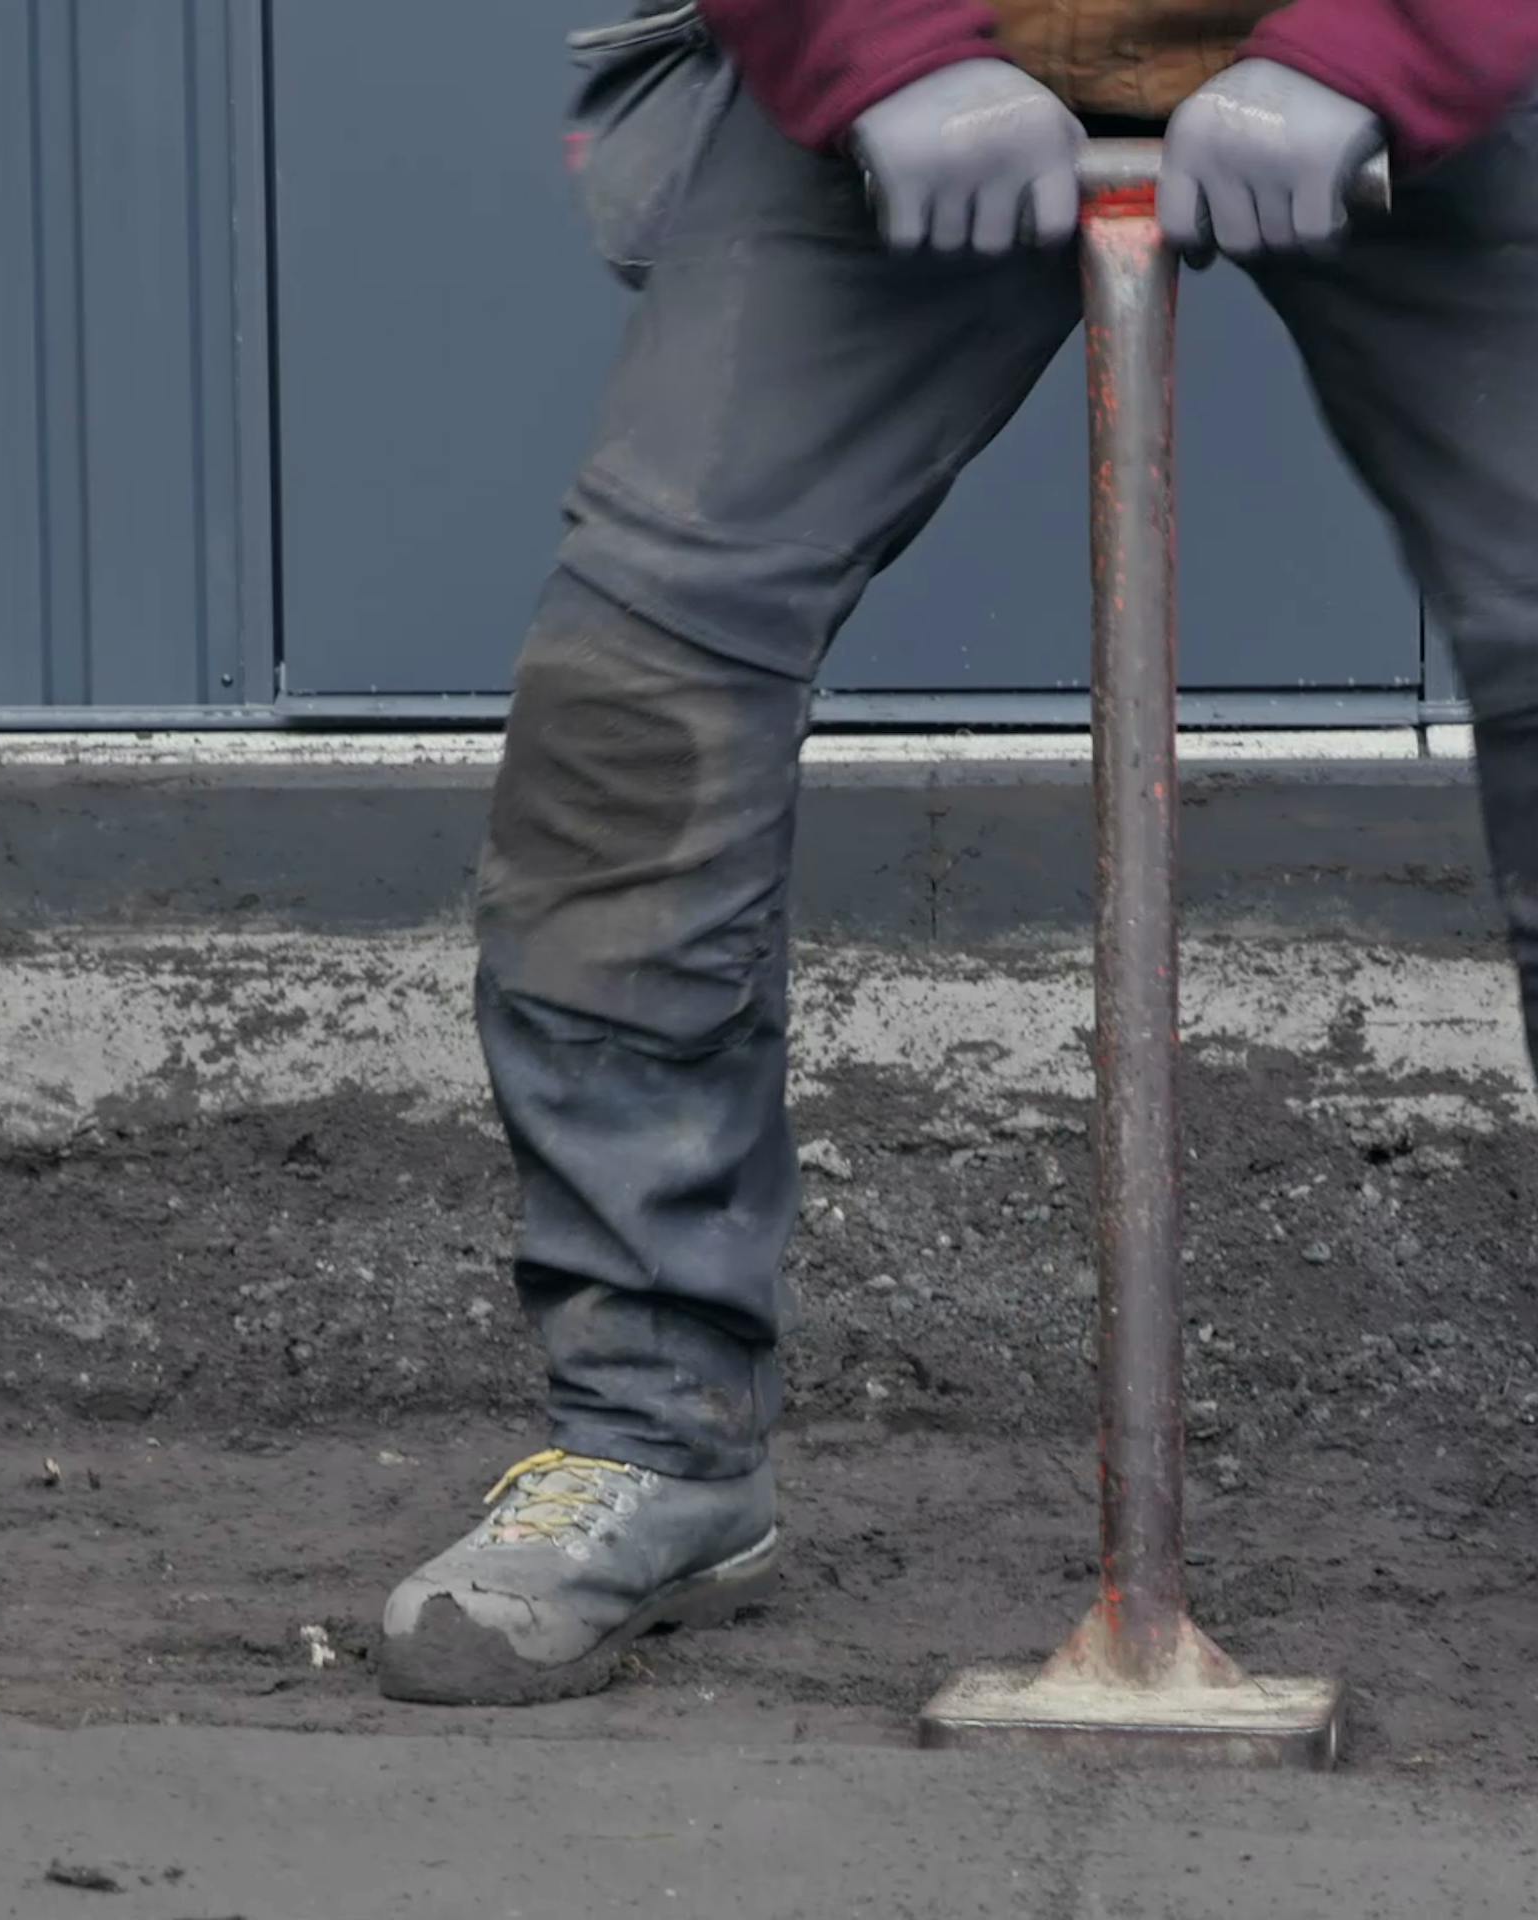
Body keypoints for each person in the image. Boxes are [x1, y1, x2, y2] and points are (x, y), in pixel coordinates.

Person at [378, 0, 1538, 1706]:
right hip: (921, 60)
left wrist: (1391, 39)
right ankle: (655, 1434)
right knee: (635, 703)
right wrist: (878, 43)